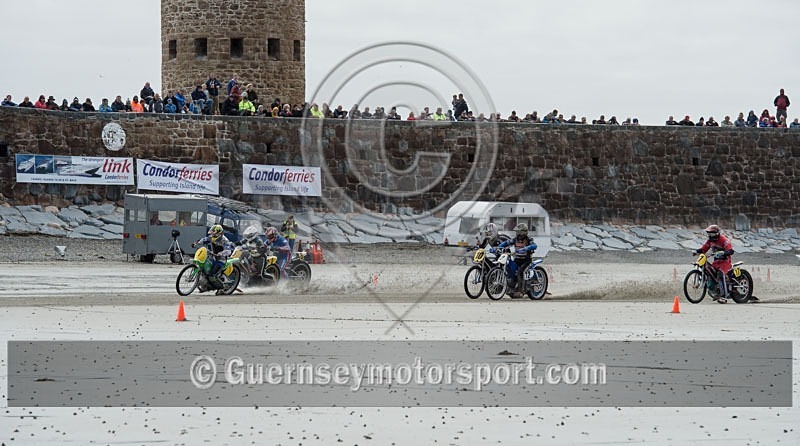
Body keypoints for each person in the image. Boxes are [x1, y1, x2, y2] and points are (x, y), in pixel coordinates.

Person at [491, 223, 538, 298]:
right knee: (510, 269)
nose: (517, 234)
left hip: (526, 260)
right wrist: (497, 247)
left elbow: (534, 245)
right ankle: (511, 286)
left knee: (520, 272)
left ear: (523, 232)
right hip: (517, 259)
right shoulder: (515, 239)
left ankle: (521, 290)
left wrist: (526, 248)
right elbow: (506, 243)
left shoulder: (529, 239)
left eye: (518, 232)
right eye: (516, 232)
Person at [693, 224, 734, 304]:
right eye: (709, 234)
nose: (710, 235)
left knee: (720, 274)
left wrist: (723, 252)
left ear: (716, 233)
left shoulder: (724, 240)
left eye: (711, 234)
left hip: (725, 261)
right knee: (710, 272)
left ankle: (724, 296)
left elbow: (731, 251)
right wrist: (696, 251)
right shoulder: (710, 241)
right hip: (716, 262)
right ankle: (715, 291)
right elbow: (704, 248)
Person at [192, 224, 234, 292]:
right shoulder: (211, 237)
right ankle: (205, 285)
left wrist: (221, 253)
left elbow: (229, 251)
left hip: (221, 260)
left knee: (212, 274)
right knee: (205, 269)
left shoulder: (224, 240)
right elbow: (203, 240)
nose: (213, 236)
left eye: (214, 234)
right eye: (212, 234)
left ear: (219, 233)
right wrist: (196, 243)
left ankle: (221, 286)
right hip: (213, 257)